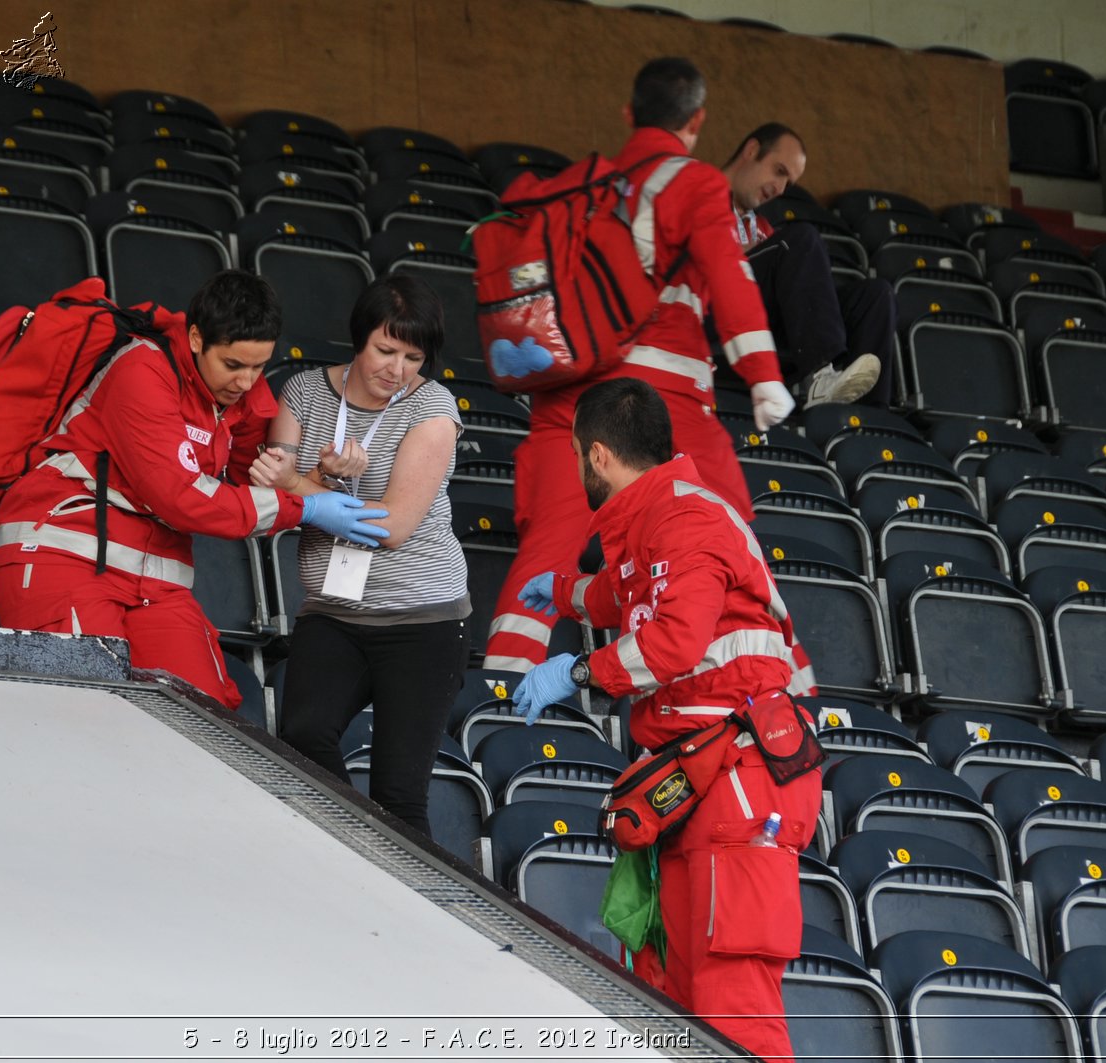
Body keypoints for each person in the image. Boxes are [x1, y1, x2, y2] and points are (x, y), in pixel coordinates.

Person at [509, 378, 819, 1060]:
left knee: (731, 1002)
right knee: (668, 988)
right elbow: (627, 589)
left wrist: (578, 671)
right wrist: (565, 595)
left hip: (740, 783)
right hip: (696, 779)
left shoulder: (687, 520)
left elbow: (675, 637)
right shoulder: (656, 519)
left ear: (595, 455)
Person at [484, 56, 793, 674]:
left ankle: (497, 700)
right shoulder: (693, 181)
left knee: (544, 560)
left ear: (629, 114)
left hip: (565, 401)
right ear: (698, 120)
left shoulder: (578, 187)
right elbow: (730, 279)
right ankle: (775, 707)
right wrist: (763, 376)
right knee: (728, 555)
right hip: (659, 404)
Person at [0, 270, 390, 707]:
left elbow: (260, 487)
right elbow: (182, 499)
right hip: (62, 553)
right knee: (88, 711)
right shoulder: (141, 369)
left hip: (155, 578)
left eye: (258, 367)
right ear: (196, 339)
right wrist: (307, 508)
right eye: (233, 365)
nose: (245, 381)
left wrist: (322, 480)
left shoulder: (243, 397)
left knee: (204, 716)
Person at [249, 275, 469, 836]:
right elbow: (272, 489)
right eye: (385, 349)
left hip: (423, 621)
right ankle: (361, 850)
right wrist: (318, 477)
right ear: (359, 338)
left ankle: (402, 893)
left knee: (400, 793)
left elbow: (391, 527)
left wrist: (303, 482)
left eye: (413, 357)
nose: (397, 369)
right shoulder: (302, 392)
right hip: (332, 614)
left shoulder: (434, 407)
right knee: (301, 739)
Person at [722, 122, 896, 407]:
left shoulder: (762, 227)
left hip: (760, 324)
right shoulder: (700, 192)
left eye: (788, 183)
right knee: (800, 238)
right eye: (779, 171)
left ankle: (870, 425)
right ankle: (819, 377)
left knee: (875, 295)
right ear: (751, 150)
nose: (779, 189)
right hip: (710, 315)